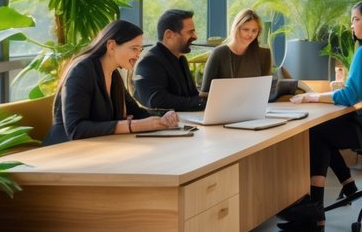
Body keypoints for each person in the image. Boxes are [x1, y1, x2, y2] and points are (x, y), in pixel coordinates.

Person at [277, 0, 362, 232]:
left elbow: (350, 96)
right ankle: (341, 190)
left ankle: (315, 212)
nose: (352, 26)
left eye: (356, 20)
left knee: (316, 132)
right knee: (326, 129)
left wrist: (310, 98)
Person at [44, 20, 179, 145]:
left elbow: (136, 111)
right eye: (134, 48)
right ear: (111, 46)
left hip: (98, 147)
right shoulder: (81, 71)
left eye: (140, 50)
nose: (138, 55)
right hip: (64, 150)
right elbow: (77, 129)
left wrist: (164, 116)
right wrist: (132, 125)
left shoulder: (113, 74)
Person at [134, 8, 205, 111]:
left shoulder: (181, 60)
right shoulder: (150, 62)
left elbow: (192, 96)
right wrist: (200, 103)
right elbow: (157, 100)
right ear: (169, 35)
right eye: (190, 32)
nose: (195, 36)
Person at [201, 8, 273, 92]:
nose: (250, 34)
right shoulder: (219, 54)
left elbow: (265, 90)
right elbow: (205, 92)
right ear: (236, 29)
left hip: (254, 103)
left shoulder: (264, 55)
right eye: (245, 30)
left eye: (254, 30)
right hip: (223, 104)